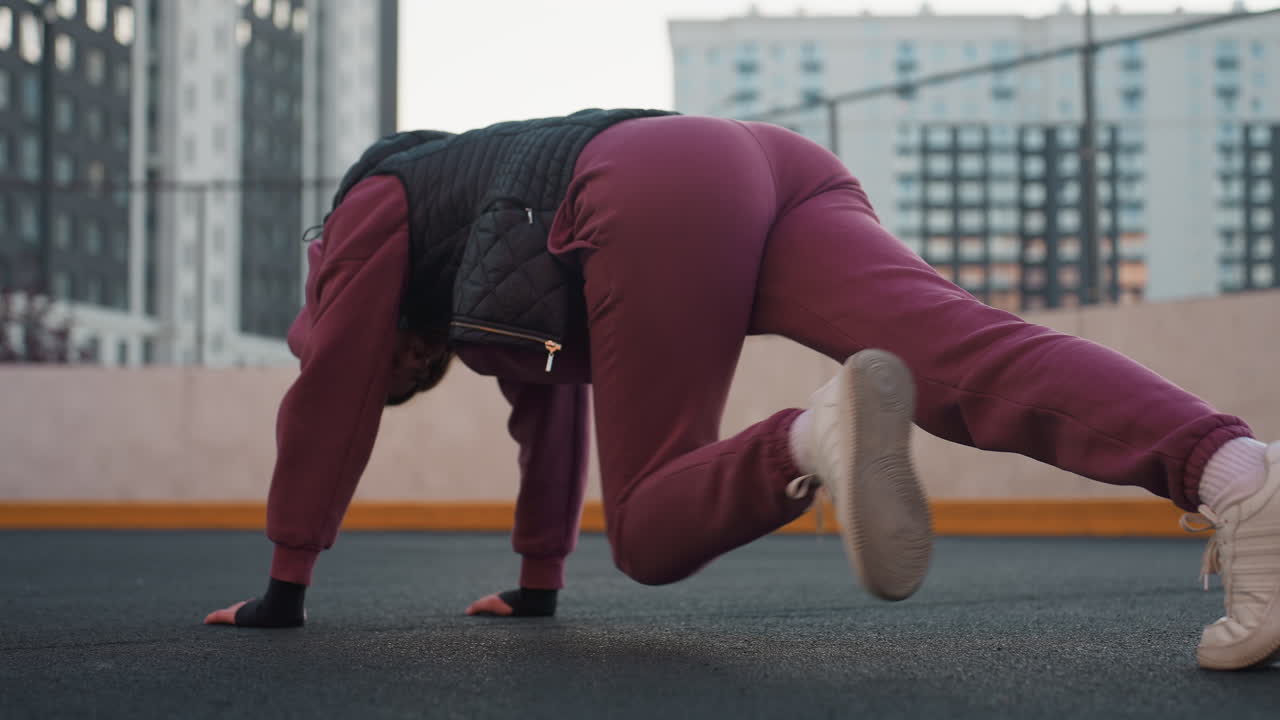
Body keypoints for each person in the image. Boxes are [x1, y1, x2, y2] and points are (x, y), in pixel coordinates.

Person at [203, 110, 1279, 671]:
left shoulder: (371, 207)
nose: (398, 368)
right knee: (966, 356)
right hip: (755, 161)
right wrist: (536, 579)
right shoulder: (480, 239)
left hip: (640, 187)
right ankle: (1239, 478)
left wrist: (285, 587)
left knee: (649, 531)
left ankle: (811, 437)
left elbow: (327, 386)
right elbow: (544, 408)